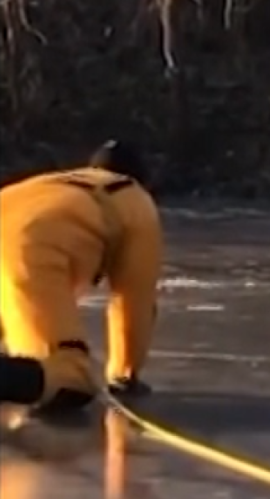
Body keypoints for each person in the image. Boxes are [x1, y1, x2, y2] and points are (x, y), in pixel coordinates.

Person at [0, 140, 164, 414]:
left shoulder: (54, 183)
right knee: (72, 379)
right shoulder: (134, 198)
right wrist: (125, 373)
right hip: (29, 245)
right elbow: (136, 302)